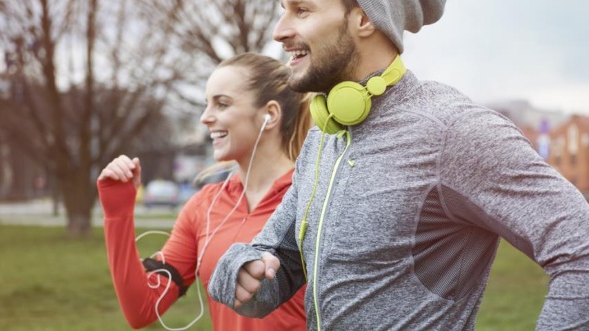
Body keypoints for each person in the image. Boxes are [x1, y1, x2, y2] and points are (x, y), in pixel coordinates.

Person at [208, 1, 589, 330]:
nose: (279, 31)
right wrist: (243, 269)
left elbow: (581, 248)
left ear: (364, 18)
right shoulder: (324, 137)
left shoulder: (453, 131)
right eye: (282, 11)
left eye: (302, 10)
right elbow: (279, 262)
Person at [97, 52, 312, 330]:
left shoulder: (314, 197)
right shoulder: (204, 207)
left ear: (269, 115)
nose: (205, 118)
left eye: (221, 104)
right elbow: (143, 308)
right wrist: (117, 214)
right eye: (206, 104)